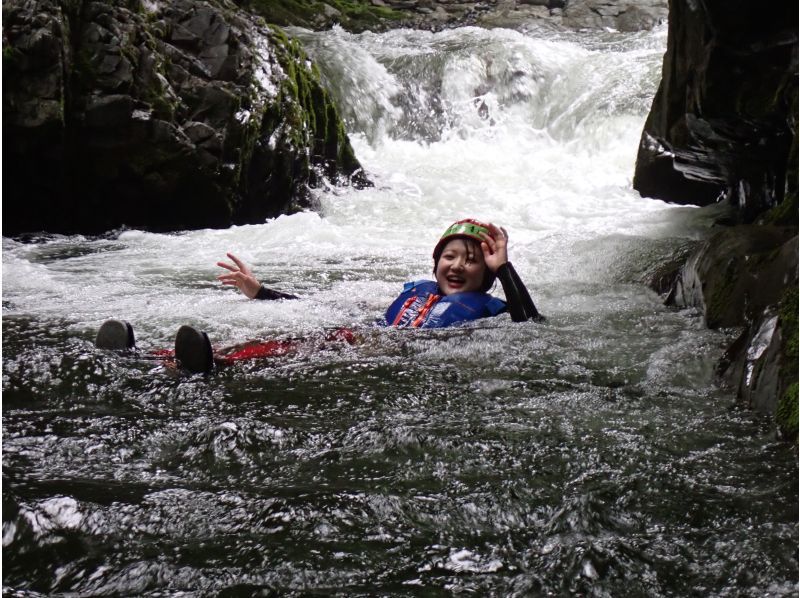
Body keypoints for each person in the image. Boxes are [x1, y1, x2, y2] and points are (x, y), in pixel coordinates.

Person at [96, 218, 541, 372]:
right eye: (450, 256)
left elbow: (532, 326)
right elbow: (329, 305)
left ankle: (212, 366)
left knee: (297, 353)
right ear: (435, 263)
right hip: (366, 338)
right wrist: (261, 292)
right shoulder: (417, 293)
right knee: (297, 343)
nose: (458, 266)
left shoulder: (491, 307)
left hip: (393, 353)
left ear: (486, 274)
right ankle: (152, 357)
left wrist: (504, 268)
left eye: (471, 260)